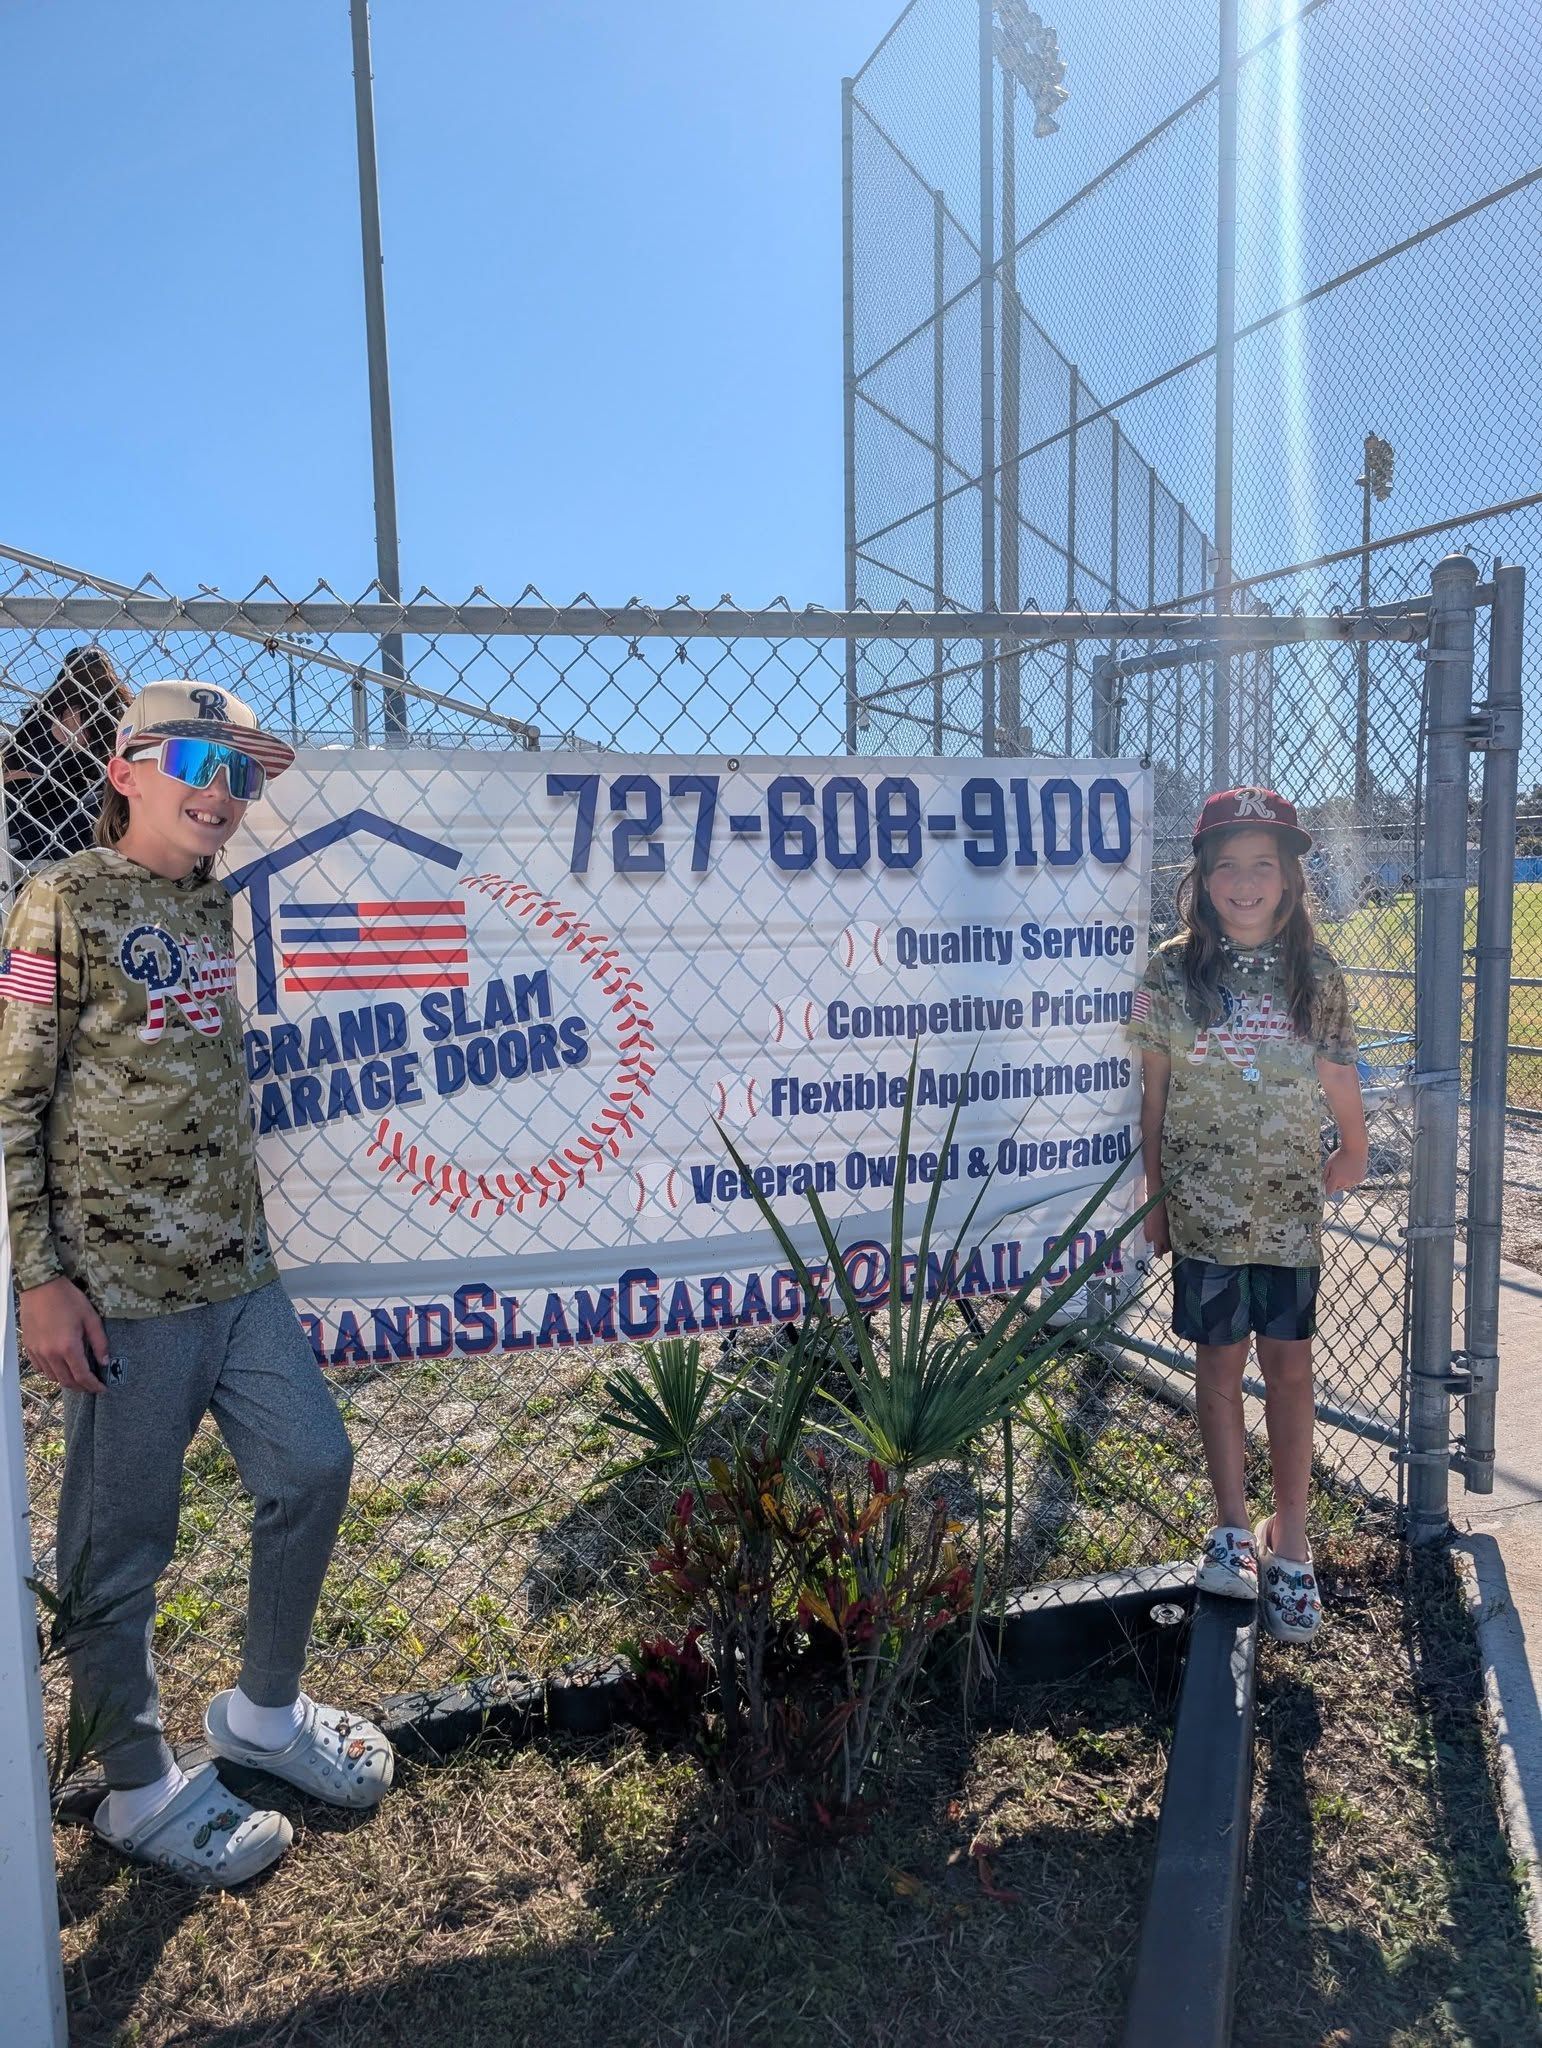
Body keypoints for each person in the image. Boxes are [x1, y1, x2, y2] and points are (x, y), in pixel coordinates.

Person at [0, 679, 392, 1887]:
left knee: (313, 1467)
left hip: (240, 1274)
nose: (221, 789)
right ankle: (133, 1786)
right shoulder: (59, 896)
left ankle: (262, 1716)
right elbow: (13, 1090)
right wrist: (39, 1278)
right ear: (123, 770)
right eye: (193, 760)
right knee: (119, 1551)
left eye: (243, 772)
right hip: (123, 1296)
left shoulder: (212, 909)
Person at [1128, 786, 1368, 1644]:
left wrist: (1354, 1146)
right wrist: (1155, 1198)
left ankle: (1290, 1537)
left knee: (1291, 1370)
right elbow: (1153, 1094)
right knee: (1220, 1368)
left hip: (1287, 1215)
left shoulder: (1318, 972)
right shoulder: (1169, 970)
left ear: (1291, 877)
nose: (1244, 881)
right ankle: (1233, 1525)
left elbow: (1340, 1074)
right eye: (1226, 864)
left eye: (1262, 864)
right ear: (1201, 875)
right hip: (1203, 1212)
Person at [2, 645, 131, 868]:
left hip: (16, 807)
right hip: (37, 805)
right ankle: (26, 844)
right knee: (112, 796)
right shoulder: (76, 712)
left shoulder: (44, 709)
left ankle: (23, 842)